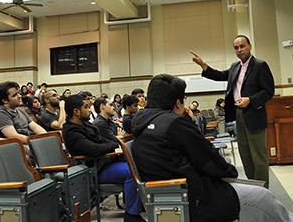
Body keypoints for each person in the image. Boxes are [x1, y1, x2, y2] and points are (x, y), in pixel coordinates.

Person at [131, 74, 292, 222]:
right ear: (178, 102)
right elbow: (209, 160)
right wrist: (230, 172)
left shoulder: (140, 123)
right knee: (263, 196)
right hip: (195, 198)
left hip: (168, 196)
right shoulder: (174, 123)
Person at [190, 35, 274, 188]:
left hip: (254, 114)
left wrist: (250, 99)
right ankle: (254, 186)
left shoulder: (260, 65)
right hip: (238, 114)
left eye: (242, 46)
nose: (240, 50)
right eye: (236, 47)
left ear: (250, 46)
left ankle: (263, 190)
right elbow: (220, 75)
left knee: (258, 156)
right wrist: (203, 65)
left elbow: (269, 91)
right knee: (245, 154)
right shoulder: (235, 66)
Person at [62, 94, 145, 222]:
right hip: (94, 170)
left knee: (139, 162)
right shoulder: (71, 132)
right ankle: (131, 215)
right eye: (86, 107)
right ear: (76, 111)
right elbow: (94, 149)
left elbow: (101, 143)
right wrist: (115, 145)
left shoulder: (87, 126)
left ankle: (141, 205)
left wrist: (112, 145)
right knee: (131, 171)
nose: (89, 110)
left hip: (105, 162)